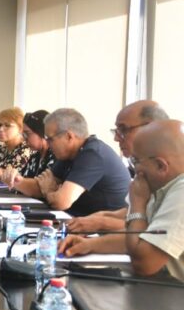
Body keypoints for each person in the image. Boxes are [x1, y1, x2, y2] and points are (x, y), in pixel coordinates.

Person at [59, 120, 184, 281]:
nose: (134, 169)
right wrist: (88, 244)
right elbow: (143, 240)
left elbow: (144, 263)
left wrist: (138, 204)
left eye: (135, 161)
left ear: (160, 166)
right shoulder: (163, 187)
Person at [64, 100, 169, 233]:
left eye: (123, 130)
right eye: (116, 131)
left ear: (151, 128)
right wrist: (98, 217)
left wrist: (101, 223)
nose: (116, 138)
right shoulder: (143, 163)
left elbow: (156, 230)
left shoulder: (171, 170)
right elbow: (134, 212)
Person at [6, 108, 130, 215]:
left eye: (50, 139)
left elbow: (61, 202)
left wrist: (49, 191)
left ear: (69, 136)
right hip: (77, 220)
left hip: (101, 229)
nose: (47, 143)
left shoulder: (92, 154)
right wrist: (16, 180)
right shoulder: (69, 154)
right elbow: (39, 187)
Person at [1, 110, 55, 186]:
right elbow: (23, 179)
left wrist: (17, 180)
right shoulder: (35, 157)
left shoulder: (55, 157)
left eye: (27, 133)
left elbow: (40, 188)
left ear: (43, 133)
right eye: (23, 135)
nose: (24, 138)